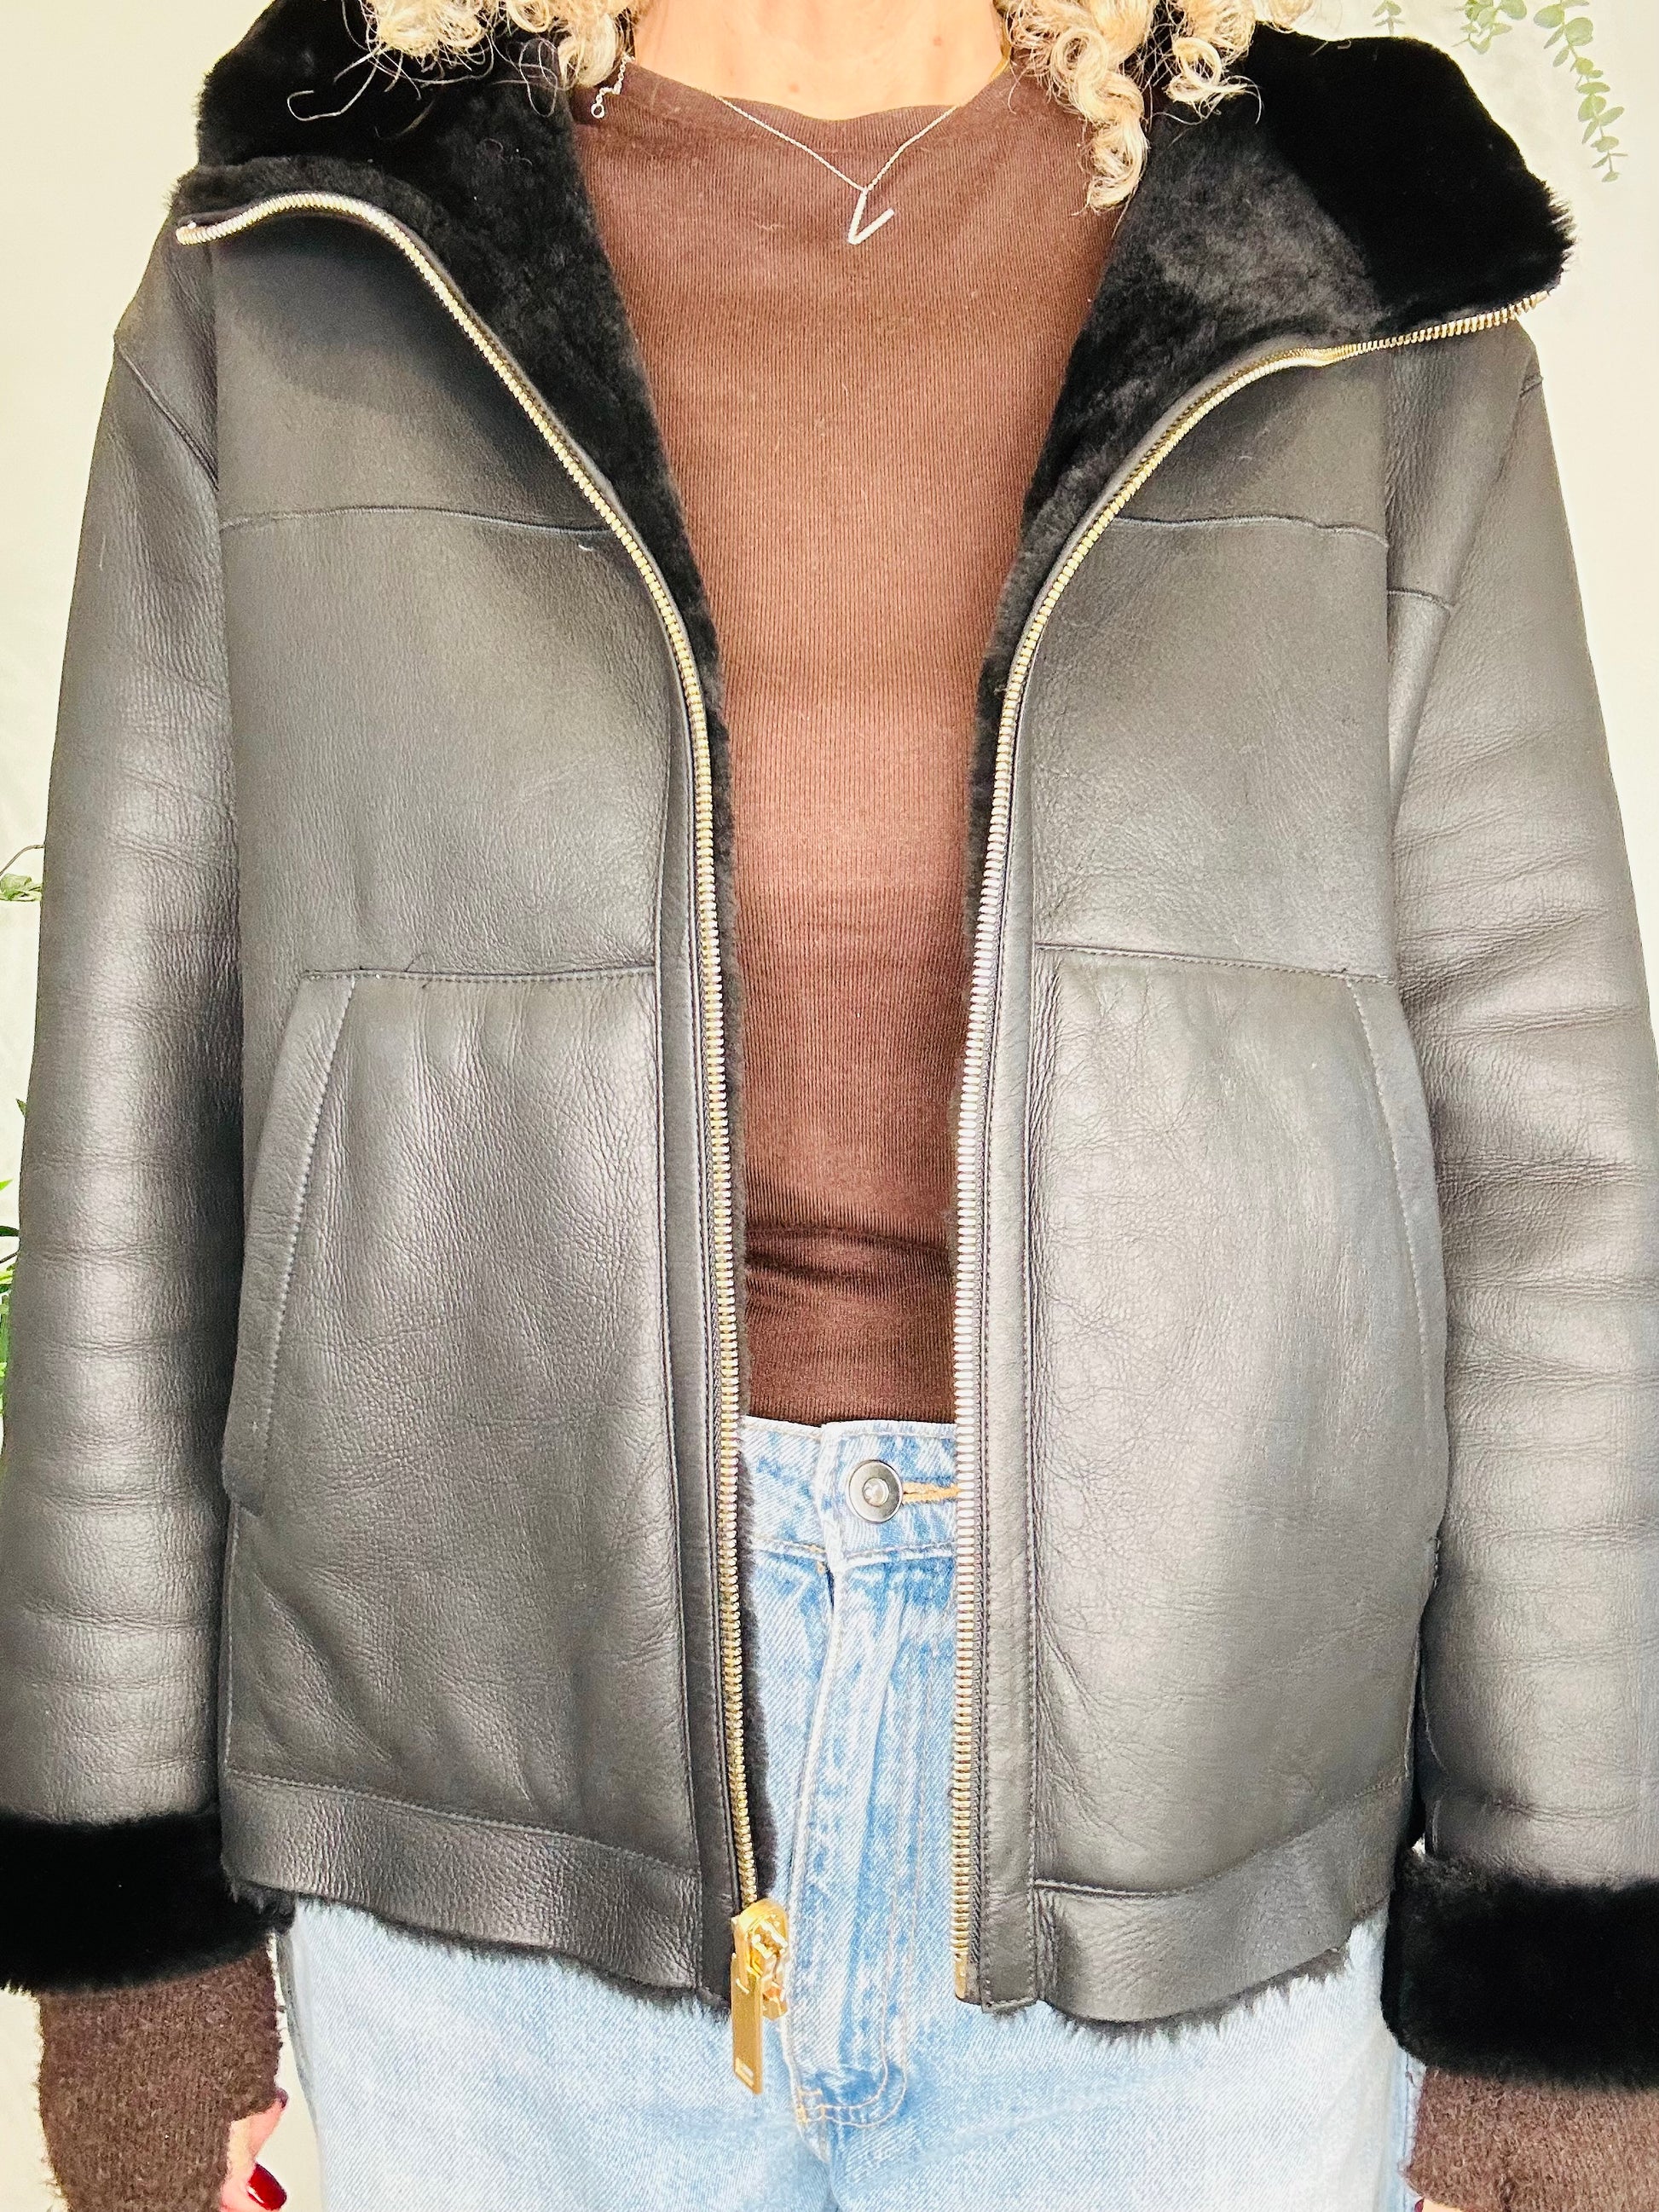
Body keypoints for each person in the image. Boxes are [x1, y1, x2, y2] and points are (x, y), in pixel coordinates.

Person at [3, 0, 1657, 2206]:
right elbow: (137, 1130)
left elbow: (1548, 1176)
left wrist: (1566, 1962)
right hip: (491, 1806)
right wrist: (127, 1929)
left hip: (1189, 1832)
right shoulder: (319, 255)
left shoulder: (1356, 279)